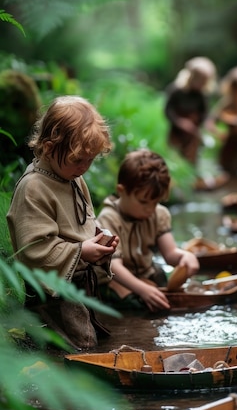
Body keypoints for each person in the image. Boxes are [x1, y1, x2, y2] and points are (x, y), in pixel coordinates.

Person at [6, 95, 118, 350]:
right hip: (52, 292)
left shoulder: (72, 177)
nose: (84, 167)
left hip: (78, 282)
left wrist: (100, 236)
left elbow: (84, 219)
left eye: (90, 160)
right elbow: (34, 249)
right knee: (73, 348)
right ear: (48, 146)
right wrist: (81, 251)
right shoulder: (34, 187)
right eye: (78, 160)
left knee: (89, 339)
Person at [97, 148, 200, 312]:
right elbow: (114, 266)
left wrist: (185, 256)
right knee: (135, 305)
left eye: (155, 202)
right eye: (144, 202)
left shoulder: (159, 214)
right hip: (117, 279)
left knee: (174, 294)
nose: (150, 209)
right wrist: (142, 289)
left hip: (146, 274)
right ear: (122, 191)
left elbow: (170, 253)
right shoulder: (109, 219)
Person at [164, 56, 217, 165]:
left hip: (193, 132)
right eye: (199, 80)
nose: (201, 84)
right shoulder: (176, 91)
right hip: (177, 132)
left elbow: (205, 113)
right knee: (175, 157)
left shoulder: (202, 95)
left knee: (192, 155)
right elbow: (168, 110)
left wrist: (206, 123)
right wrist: (180, 122)